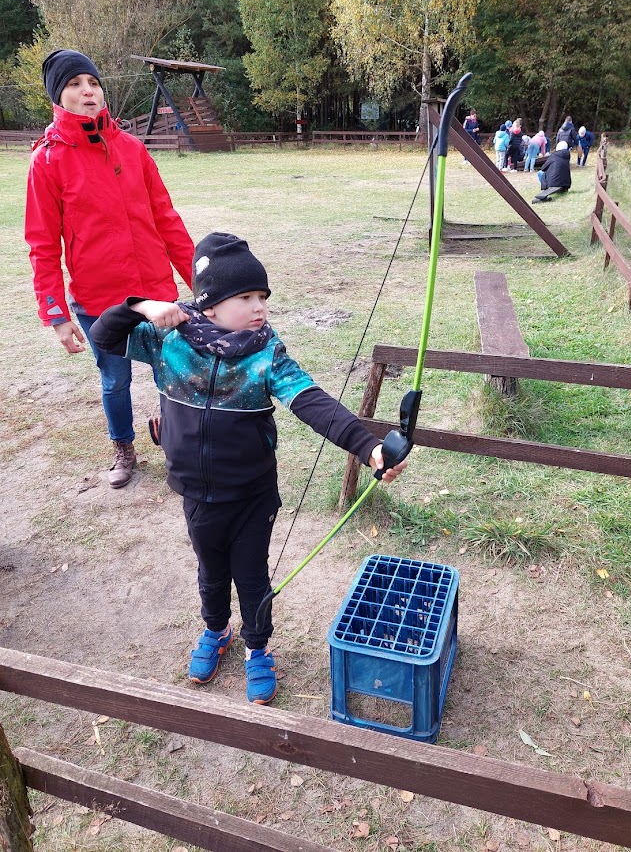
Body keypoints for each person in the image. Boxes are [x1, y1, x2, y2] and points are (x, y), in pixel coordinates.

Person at [90, 233, 408, 704]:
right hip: (196, 491)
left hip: (252, 494)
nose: (259, 306)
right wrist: (140, 306)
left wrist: (368, 447)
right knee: (211, 570)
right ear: (210, 304)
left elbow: (310, 400)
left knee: (252, 575)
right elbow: (103, 336)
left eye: (263, 296)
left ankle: (257, 648)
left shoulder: (266, 352)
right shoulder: (167, 340)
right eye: (245, 297)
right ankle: (216, 630)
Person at [25, 49, 195, 489]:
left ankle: (177, 444)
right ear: (57, 97)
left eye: (93, 83)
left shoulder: (133, 149)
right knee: (115, 379)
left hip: (155, 291)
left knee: (172, 372)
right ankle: (124, 447)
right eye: (75, 84)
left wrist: (201, 282)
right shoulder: (47, 161)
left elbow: (167, 219)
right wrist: (56, 314)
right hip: (100, 301)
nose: (88, 91)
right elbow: (43, 245)